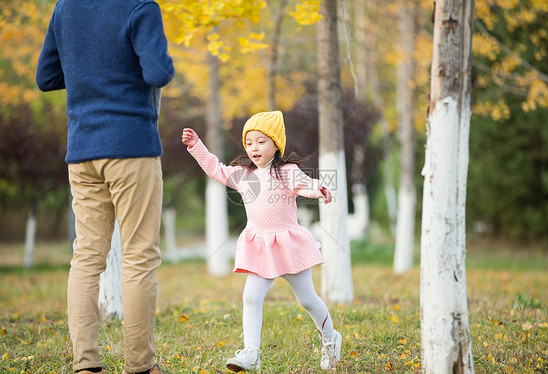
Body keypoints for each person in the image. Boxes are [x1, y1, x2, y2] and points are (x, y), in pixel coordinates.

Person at [36, 0, 174, 373]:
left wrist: (91, 72)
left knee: (86, 257)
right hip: (131, 147)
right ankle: (140, 366)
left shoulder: (65, 9)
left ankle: (86, 365)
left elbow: (45, 77)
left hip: (82, 152)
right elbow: (158, 71)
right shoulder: (141, 6)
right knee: (139, 256)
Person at [181, 111, 342, 372]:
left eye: (261, 141)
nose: (254, 147)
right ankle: (251, 352)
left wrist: (319, 189)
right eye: (249, 142)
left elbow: (306, 184)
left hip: (289, 246)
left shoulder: (287, 172)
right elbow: (215, 169)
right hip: (260, 248)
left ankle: (331, 339)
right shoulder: (244, 175)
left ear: (276, 144)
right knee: (251, 296)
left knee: (308, 300)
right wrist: (196, 146)